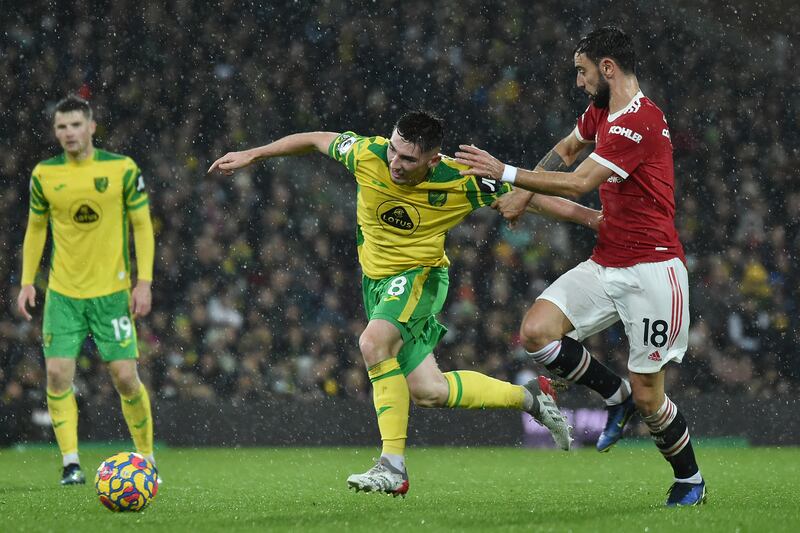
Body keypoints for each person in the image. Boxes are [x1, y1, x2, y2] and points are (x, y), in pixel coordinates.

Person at [209, 111, 602, 496]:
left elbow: (528, 200)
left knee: (372, 343)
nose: (395, 162)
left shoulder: (460, 179)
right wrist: (253, 154)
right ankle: (530, 396)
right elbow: (316, 139)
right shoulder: (368, 153)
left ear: (433, 160)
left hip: (419, 277)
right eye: (394, 151)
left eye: (407, 158)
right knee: (429, 391)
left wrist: (593, 219)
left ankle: (392, 467)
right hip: (376, 285)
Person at [455, 27, 706, 507]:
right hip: (607, 259)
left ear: (607, 68)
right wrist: (521, 197)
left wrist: (505, 173)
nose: (579, 82)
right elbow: (568, 149)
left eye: (583, 71)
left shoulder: (640, 121)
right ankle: (616, 397)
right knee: (536, 331)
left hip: (653, 272)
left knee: (652, 398)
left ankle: (690, 479)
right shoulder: (600, 112)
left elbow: (578, 182)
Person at [17, 95, 157, 485]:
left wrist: (143, 282)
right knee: (58, 375)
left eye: (76, 125)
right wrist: (27, 281)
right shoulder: (45, 175)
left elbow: (142, 226)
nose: (68, 133)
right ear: (55, 131)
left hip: (111, 294)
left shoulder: (122, 169)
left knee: (126, 378)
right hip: (63, 294)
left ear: (92, 127)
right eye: (61, 127)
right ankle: (71, 463)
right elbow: (36, 228)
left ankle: (147, 458)